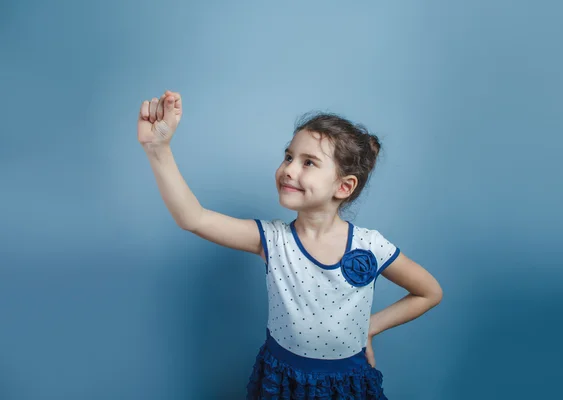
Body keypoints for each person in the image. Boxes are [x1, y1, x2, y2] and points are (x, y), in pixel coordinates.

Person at [138, 90, 443, 399]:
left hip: (346, 384)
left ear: (344, 186)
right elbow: (194, 218)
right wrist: (157, 148)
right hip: (283, 382)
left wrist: (369, 327)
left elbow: (429, 292)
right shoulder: (272, 239)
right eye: (288, 156)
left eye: (308, 162)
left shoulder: (370, 246)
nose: (289, 169)